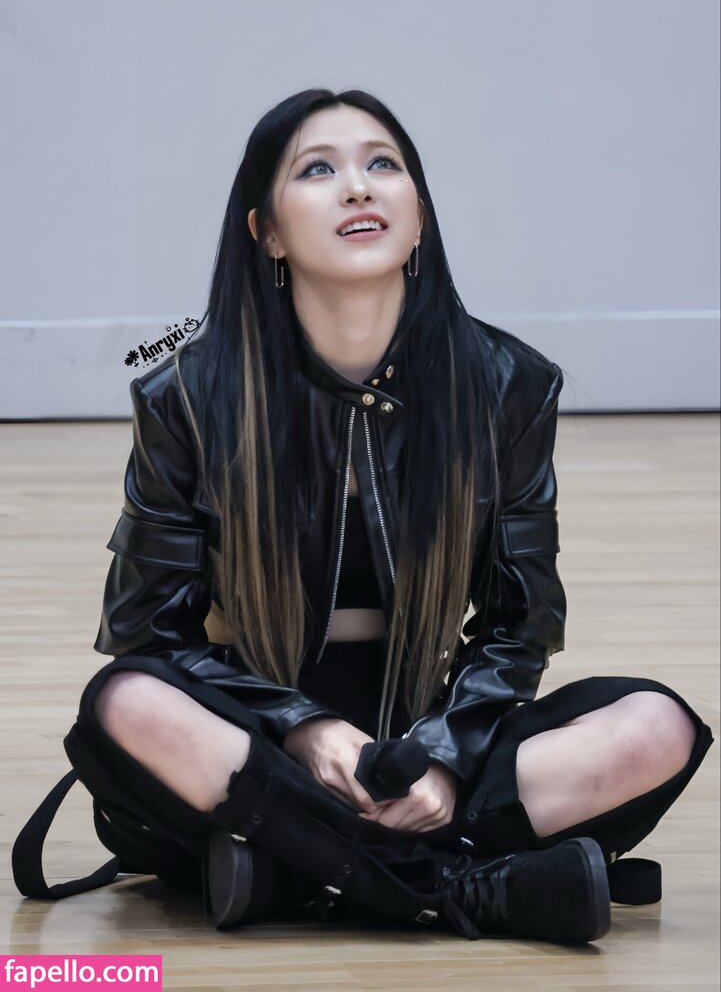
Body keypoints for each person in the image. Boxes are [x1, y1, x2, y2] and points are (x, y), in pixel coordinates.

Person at [74, 88, 712, 943]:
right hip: (255, 744)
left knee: (654, 727)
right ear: (266, 232)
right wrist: (301, 729)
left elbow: (519, 623)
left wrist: (443, 757)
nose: (358, 186)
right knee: (126, 703)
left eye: (383, 164)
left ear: (419, 219)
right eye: (317, 170)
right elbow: (148, 634)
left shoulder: (507, 385)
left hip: (430, 736)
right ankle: (452, 887)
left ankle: (299, 871)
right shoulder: (184, 396)